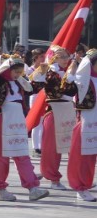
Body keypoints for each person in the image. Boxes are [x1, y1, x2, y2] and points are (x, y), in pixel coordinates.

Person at [0, 56, 50, 202]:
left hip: (17, 121)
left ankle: (33, 188)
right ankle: (0, 190)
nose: (17, 74)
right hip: (2, 119)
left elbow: (33, 88)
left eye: (19, 71)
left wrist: (41, 73)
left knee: (22, 154)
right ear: (7, 69)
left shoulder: (20, 82)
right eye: (15, 71)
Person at [31, 45, 78, 191]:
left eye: (67, 56)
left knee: (74, 147)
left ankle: (78, 178)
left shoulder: (65, 72)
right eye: (62, 57)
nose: (66, 59)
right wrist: (70, 77)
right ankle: (53, 178)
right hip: (54, 110)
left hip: (68, 110)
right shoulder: (51, 73)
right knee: (52, 149)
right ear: (54, 58)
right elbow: (57, 92)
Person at [70, 48, 97, 201]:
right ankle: (81, 187)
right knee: (85, 157)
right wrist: (72, 70)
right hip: (87, 123)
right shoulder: (82, 82)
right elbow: (68, 90)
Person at [28, 48, 46, 156]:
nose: (43, 58)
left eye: (43, 56)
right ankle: (35, 147)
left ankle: (41, 145)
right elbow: (31, 81)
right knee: (36, 122)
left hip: (43, 96)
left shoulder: (46, 68)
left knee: (43, 121)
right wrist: (40, 71)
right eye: (41, 57)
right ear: (36, 58)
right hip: (35, 96)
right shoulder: (30, 69)